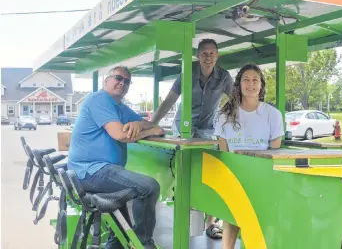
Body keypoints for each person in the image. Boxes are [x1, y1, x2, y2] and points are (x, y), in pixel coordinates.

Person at [68, 66, 165, 249]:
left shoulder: (119, 107)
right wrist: (152, 130)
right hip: (91, 171)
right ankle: (144, 244)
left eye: (127, 81)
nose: (122, 82)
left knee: (121, 230)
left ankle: (121, 243)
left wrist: (139, 123)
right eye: (118, 78)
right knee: (149, 187)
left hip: (101, 171)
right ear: (106, 81)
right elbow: (120, 135)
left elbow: (148, 123)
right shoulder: (99, 99)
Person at [151, 38, 233, 239]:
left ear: (217, 55)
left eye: (212, 53)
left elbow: (237, 103)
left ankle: (210, 224)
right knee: (186, 174)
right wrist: (152, 123)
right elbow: (169, 101)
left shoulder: (224, 77)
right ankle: (185, 219)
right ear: (198, 55)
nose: (208, 57)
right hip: (183, 130)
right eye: (204, 53)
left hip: (207, 130)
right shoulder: (186, 74)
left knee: (211, 175)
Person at [213, 64, 284, 249]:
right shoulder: (225, 113)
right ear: (238, 84)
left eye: (255, 80)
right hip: (234, 176)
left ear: (261, 86)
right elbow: (224, 151)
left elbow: (274, 151)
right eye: (246, 79)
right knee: (231, 219)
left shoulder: (273, 114)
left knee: (259, 223)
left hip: (262, 177)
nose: (250, 84)